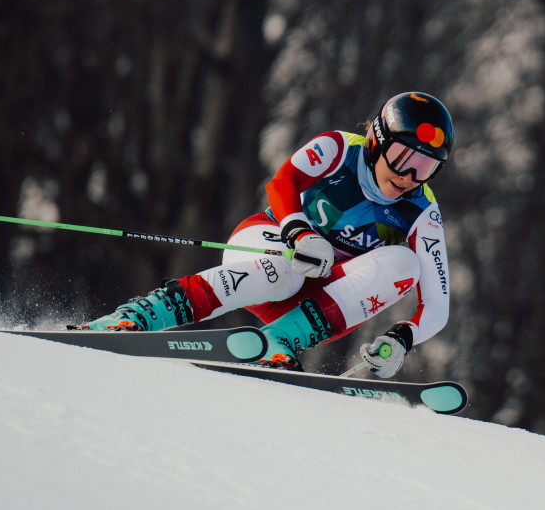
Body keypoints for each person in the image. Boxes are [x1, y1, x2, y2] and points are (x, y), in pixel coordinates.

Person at [79, 92, 453, 379]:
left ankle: (282, 342)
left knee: (404, 263)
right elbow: (282, 181)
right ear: (376, 140)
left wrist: (402, 338)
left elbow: (437, 304)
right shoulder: (340, 149)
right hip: (269, 246)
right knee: (289, 270)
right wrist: (299, 233)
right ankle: (141, 315)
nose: (409, 177)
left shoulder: (422, 211)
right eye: (404, 158)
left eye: (426, 166)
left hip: (317, 303)